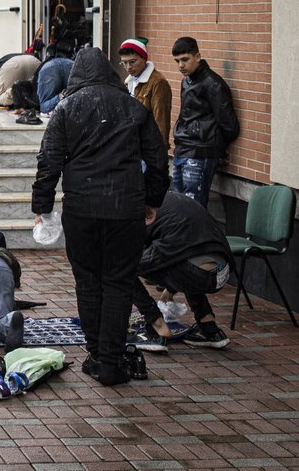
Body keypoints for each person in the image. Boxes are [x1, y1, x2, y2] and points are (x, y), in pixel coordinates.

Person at [32, 47, 169, 386]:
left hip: (81, 210)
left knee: (88, 281)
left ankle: (96, 354)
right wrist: (152, 199)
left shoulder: (66, 108)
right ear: (108, 72)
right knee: (119, 283)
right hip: (126, 210)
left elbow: (48, 161)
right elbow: (158, 158)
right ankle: (111, 359)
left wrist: (43, 208)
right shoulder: (133, 108)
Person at [130, 192, 234, 352]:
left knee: (121, 268)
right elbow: (182, 247)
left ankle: (157, 327)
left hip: (198, 272)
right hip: (222, 272)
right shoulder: (172, 199)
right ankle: (209, 328)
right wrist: (170, 289)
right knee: (185, 261)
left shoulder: (139, 209)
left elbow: (147, 257)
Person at [171, 36, 239, 207]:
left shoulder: (213, 83)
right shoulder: (186, 81)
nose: (181, 65)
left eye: (185, 59)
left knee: (193, 208)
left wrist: (216, 148)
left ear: (198, 57)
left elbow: (229, 125)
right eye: (177, 61)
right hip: (182, 149)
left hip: (201, 152)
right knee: (180, 207)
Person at [118, 37, 171, 149]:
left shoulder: (158, 82)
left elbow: (161, 121)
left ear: (144, 58)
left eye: (132, 62)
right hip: (132, 145)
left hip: (148, 148)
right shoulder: (129, 82)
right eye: (124, 63)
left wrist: (159, 151)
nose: (128, 67)